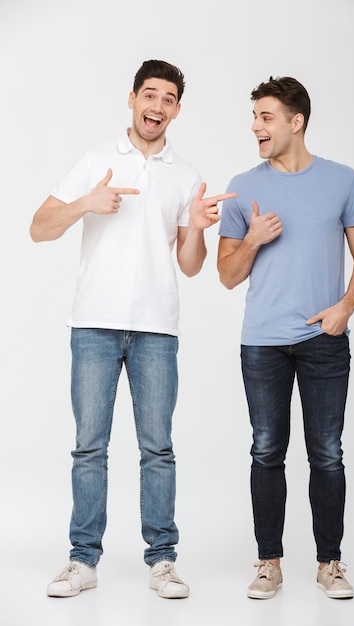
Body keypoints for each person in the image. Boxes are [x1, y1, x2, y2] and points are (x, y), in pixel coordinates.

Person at [30, 59, 236, 599]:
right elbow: (38, 228)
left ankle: (163, 560)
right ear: (132, 99)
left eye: (169, 99)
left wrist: (196, 225)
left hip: (155, 328)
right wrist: (85, 203)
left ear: (177, 110)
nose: (157, 107)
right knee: (88, 448)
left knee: (158, 449)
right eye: (150, 95)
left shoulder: (186, 175)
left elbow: (191, 266)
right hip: (94, 324)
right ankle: (83, 560)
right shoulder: (96, 160)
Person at [217, 76, 354, 600]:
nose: (256, 127)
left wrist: (343, 310)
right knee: (267, 451)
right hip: (262, 341)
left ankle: (329, 562)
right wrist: (255, 240)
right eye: (255, 117)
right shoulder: (243, 185)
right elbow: (226, 274)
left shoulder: (343, 180)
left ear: (296, 122)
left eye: (266, 117)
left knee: (327, 452)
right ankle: (269, 563)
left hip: (324, 340)